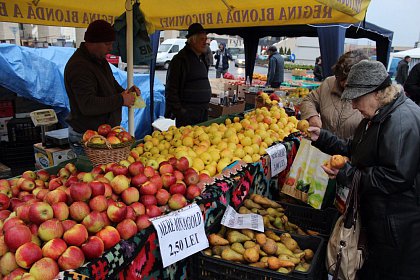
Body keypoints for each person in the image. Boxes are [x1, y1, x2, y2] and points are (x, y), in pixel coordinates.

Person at [308, 60, 420, 280]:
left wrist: (346, 175)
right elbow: (355, 147)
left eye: (356, 99)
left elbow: (394, 178)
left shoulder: (399, 121)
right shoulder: (380, 114)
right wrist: (322, 138)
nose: (353, 106)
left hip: (398, 232)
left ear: (377, 93)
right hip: (385, 225)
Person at [64, 19, 139, 156]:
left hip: (104, 135)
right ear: (92, 42)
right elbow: (87, 105)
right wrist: (121, 100)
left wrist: (126, 92)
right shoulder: (79, 67)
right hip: (88, 139)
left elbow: (111, 84)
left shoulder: (99, 59)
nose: (110, 48)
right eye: (107, 44)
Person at [300, 49, 368, 139]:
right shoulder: (329, 83)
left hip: (353, 151)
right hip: (324, 147)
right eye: (340, 78)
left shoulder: (370, 94)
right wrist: (312, 116)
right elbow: (309, 100)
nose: (343, 83)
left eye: (347, 79)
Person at [164, 23, 211, 127]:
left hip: (202, 112)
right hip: (188, 115)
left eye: (206, 39)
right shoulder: (180, 60)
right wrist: (181, 113)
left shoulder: (202, 58)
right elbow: (171, 90)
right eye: (202, 39)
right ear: (193, 40)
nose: (205, 42)